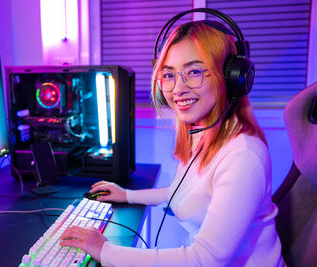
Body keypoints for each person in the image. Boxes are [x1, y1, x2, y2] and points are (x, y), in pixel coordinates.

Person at [61, 20, 285, 266]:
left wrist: (104, 250)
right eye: (168, 75)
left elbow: (203, 260)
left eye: (194, 71)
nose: (178, 88)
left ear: (231, 78)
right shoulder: (203, 135)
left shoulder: (243, 156)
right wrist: (127, 195)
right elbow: (183, 191)